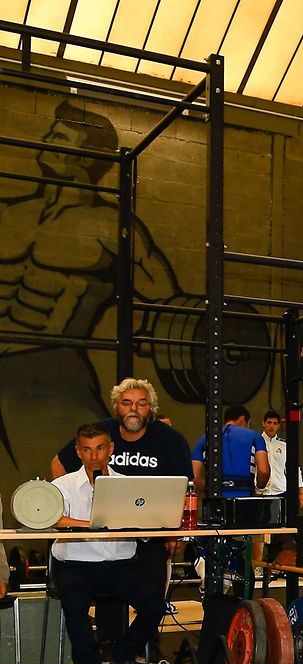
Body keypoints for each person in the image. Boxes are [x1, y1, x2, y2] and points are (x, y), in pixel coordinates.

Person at [2, 101, 181, 479]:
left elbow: (170, 301)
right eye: (50, 132)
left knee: (87, 458)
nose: (47, 140)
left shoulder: (111, 227)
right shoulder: (10, 212)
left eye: (59, 136)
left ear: (85, 158)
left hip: (46, 365)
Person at [51, 377, 191, 664]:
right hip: (92, 546)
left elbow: (186, 487)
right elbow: (58, 464)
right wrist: (69, 495)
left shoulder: (170, 439)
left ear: (150, 408)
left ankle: (144, 645)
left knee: (150, 593)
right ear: (117, 407)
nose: (133, 409)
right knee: (97, 587)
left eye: (141, 404)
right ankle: (108, 647)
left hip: (146, 531)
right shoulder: (99, 432)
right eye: (127, 403)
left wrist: (176, 532)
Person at [52, 423, 166, 664]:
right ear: (78, 452)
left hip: (120, 565)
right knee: (74, 605)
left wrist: (151, 521)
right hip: (76, 565)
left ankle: (122, 657)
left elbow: (144, 527)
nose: (94, 456)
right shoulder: (61, 486)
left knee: (155, 605)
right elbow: (54, 518)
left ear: (111, 449)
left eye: (100, 448)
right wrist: (94, 525)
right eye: (87, 450)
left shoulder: (128, 486)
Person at [191, 404, 270, 499]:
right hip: (245, 496)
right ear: (242, 419)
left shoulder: (204, 439)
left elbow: (194, 478)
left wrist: (210, 490)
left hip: (215, 500)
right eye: (248, 424)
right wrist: (259, 489)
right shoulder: (255, 437)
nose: (248, 427)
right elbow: (264, 471)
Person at [256, 410, 303, 508]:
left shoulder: (284, 445)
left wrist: (301, 492)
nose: (272, 426)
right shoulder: (255, 442)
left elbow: (295, 468)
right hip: (260, 492)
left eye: (275, 423)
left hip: (280, 490)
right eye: (269, 422)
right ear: (263, 423)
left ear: (278, 426)